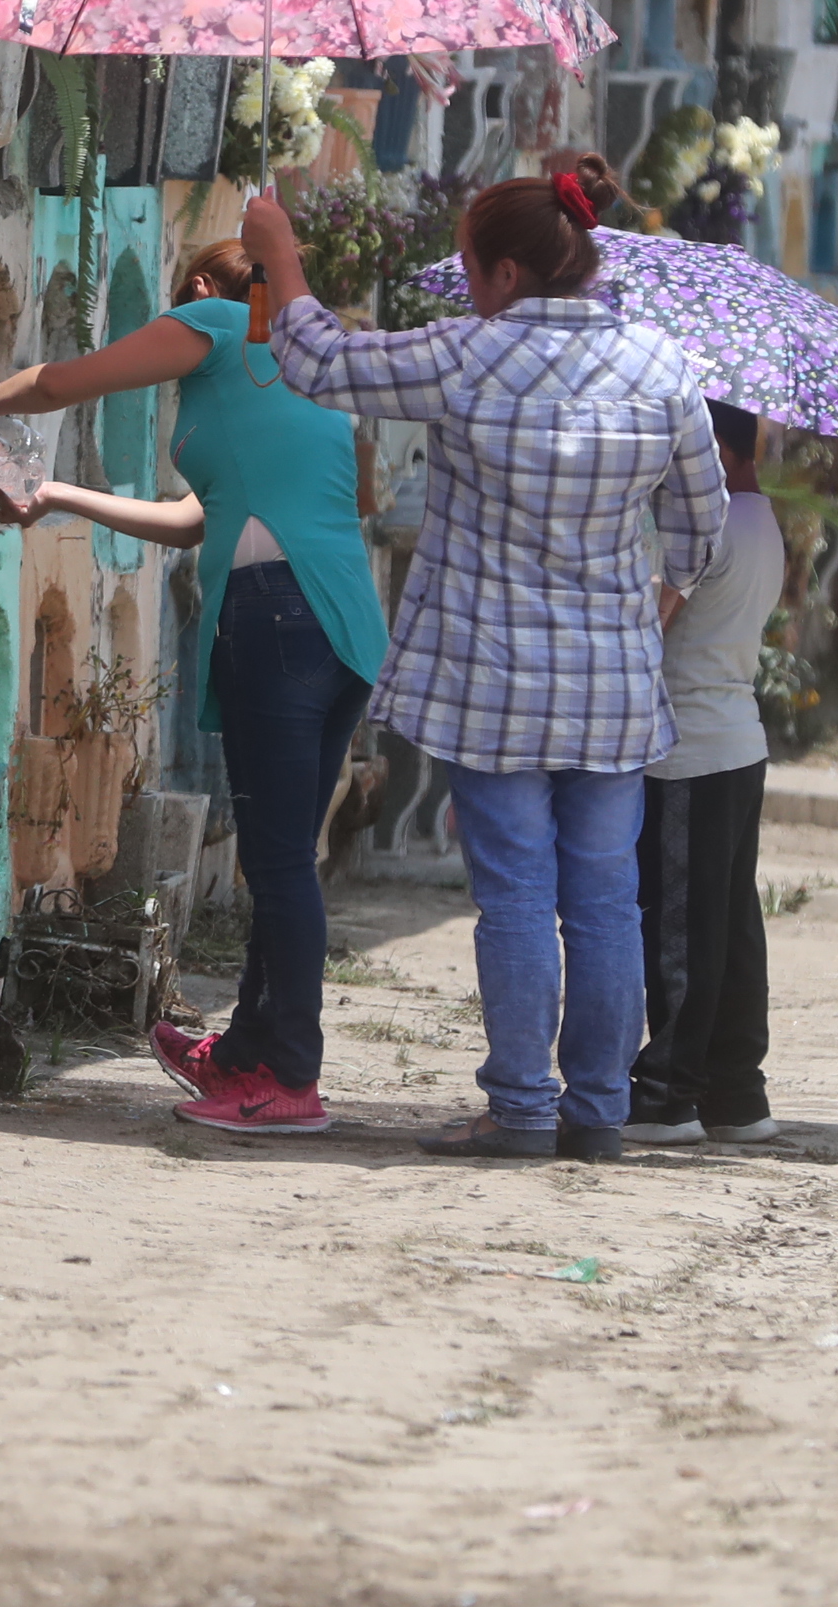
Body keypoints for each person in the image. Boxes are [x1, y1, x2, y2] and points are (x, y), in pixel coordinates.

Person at [241, 155, 726, 1162]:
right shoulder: (664, 368)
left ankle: (520, 1106)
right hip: (611, 687)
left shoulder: (468, 355)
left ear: (508, 272)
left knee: (513, 895)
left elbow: (323, 362)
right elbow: (703, 526)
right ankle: (595, 1107)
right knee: (605, 900)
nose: (465, 283)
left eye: (470, 265)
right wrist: (660, 599)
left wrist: (280, 254)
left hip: (491, 680)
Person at [0, 238, 386, 1135]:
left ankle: (289, 1079)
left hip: (277, 615)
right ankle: (249, 1055)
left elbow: (67, 382)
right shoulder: (308, 361)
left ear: (203, 288)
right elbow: (194, 521)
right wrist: (58, 493)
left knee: (279, 861)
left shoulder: (217, 321)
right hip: (344, 626)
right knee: (284, 853)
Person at [625, 403, 787, 1145]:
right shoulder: (763, 520)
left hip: (689, 750)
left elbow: (651, 622)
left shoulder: (710, 519)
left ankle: (667, 1093)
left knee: (683, 928)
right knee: (730, 922)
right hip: (737, 742)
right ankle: (735, 1090)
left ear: (717, 449)